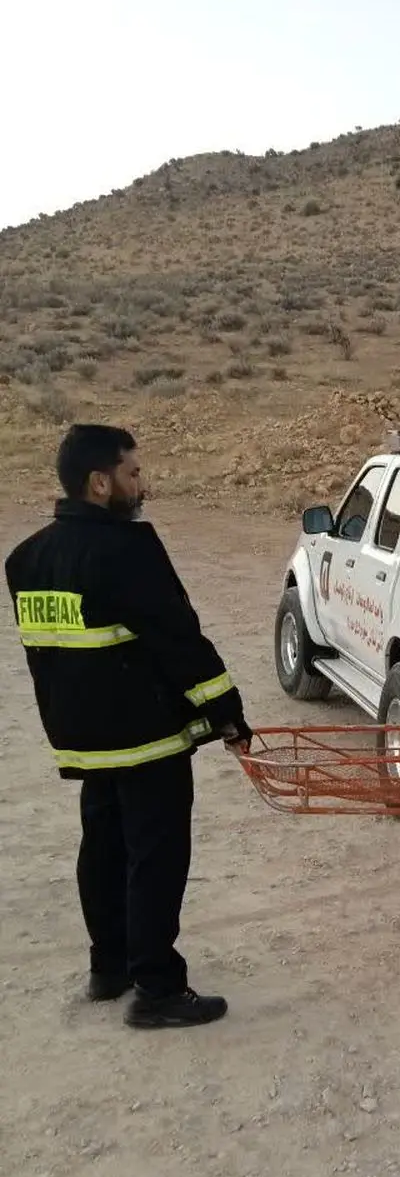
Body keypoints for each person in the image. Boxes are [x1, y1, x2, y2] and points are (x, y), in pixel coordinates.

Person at [5, 425, 252, 1029]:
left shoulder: (26, 558)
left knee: (103, 849)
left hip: (83, 741)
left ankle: (108, 966)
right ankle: (158, 988)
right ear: (100, 482)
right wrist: (227, 713)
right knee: (156, 859)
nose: (141, 484)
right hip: (146, 739)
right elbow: (179, 641)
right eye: (133, 473)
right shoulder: (130, 549)